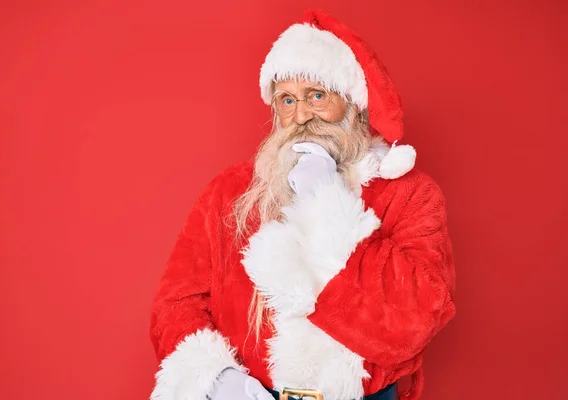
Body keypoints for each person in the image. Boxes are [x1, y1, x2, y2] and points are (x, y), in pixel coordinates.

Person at [149, 9, 456, 400]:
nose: (301, 116)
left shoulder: (410, 193)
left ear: (352, 102)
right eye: (287, 100)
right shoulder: (228, 192)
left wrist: (327, 203)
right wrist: (215, 377)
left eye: (317, 95)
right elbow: (176, 302)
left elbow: (418, 317)